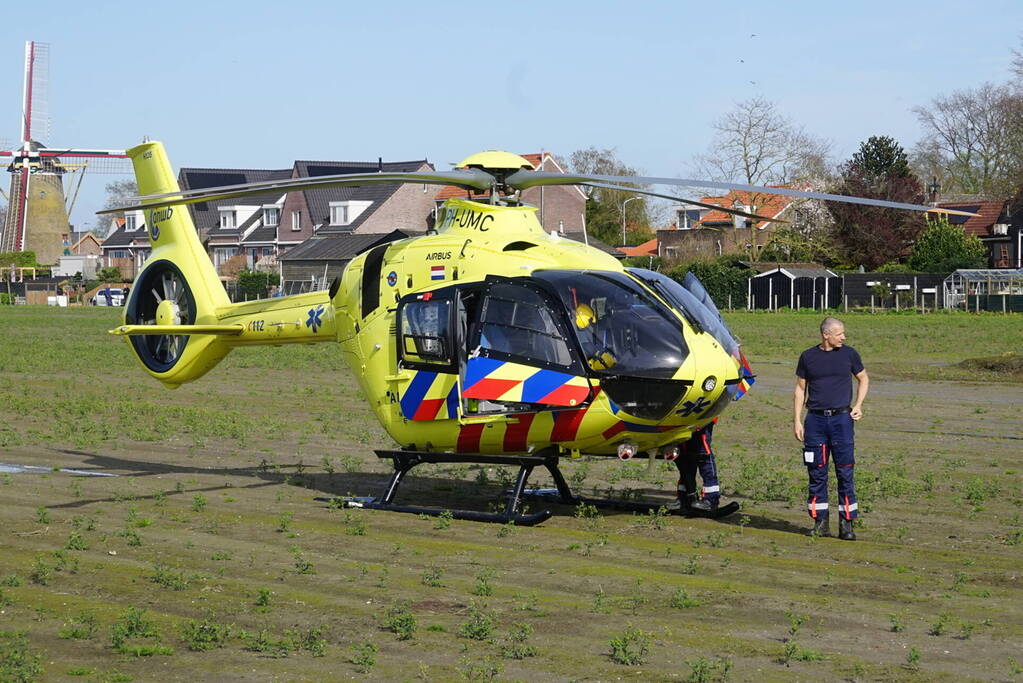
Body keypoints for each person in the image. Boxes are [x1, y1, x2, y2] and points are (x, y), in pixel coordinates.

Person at [793, 317, 869, 540]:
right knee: (816, 472)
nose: (843, 337)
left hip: (842, 421)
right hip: (815, 422)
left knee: (845, 472)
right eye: (839, 334)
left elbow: (864, 379)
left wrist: (858, 405)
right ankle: (820, 523)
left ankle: (847, 525)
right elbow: (800, 389)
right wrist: (797, 420)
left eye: (843, 333)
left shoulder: (850, 354)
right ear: (826, 335)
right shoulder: (808, 356)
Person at [669, 419, 722, 513]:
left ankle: (711, 499)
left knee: (703, 455)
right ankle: (685, 497)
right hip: (682, 421)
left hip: (702, 420)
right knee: (683, 457)